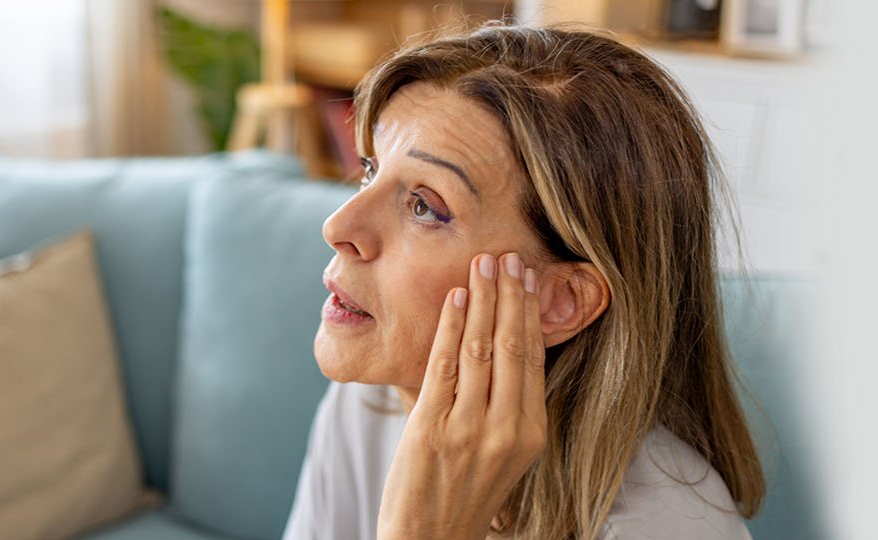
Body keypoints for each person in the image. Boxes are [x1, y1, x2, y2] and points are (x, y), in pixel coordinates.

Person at [284, 23, 764, 540]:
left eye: (424, 206)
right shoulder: (373, 400)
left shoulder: (669, 528)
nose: (337, 227)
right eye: (369, 171)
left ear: (560, 301)